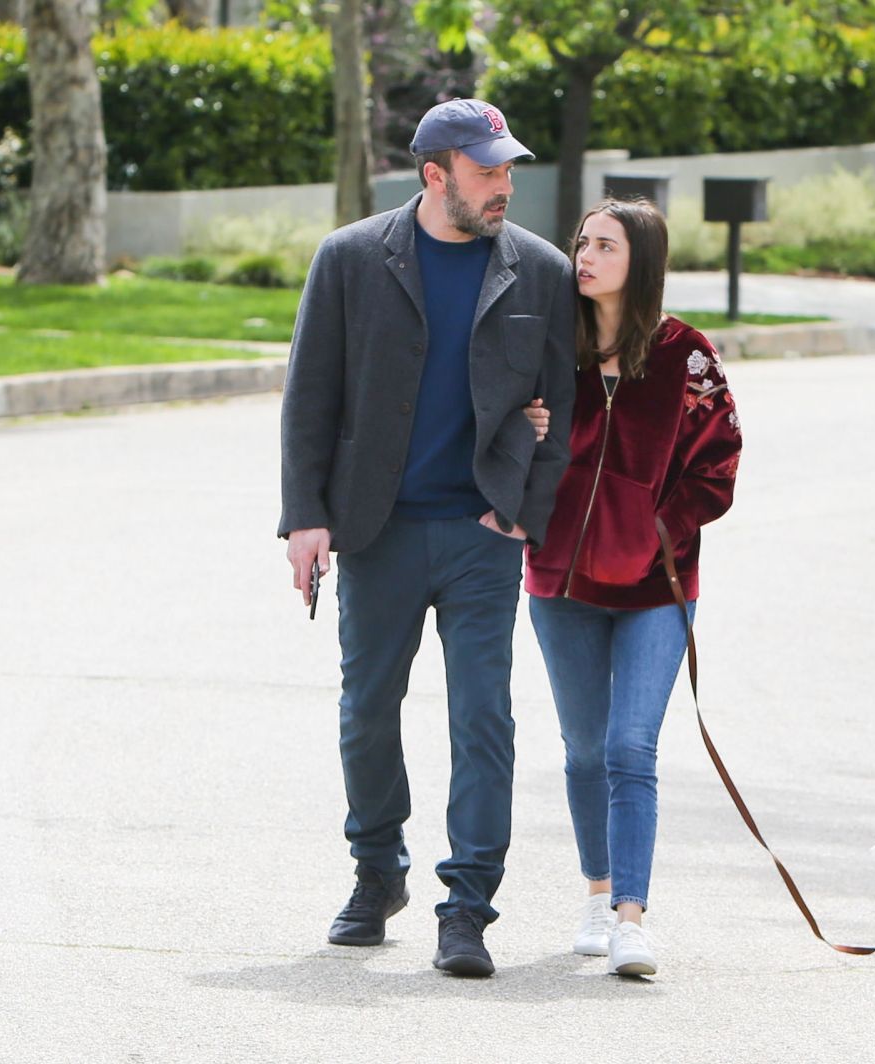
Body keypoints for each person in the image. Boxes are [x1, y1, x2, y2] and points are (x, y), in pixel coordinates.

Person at [278, 99, 576, 978]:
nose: (505, 187)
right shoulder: (349, 259)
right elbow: (309, 396)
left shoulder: (542, 271)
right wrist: (304, 516)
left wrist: (523, 510)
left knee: (483, 717)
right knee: (366, 710)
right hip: (377, 530)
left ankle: (468, 907)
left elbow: (564, 414)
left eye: (509, 170)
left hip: (483, 534)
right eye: (487, 172)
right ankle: (377, 874)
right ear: (434, 174)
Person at [524, 198, 742, 977]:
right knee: (584, 751)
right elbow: (509, 432)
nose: (583, 256)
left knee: (630, 747)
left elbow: (720, 465)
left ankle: (631, 920)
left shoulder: (686, 356)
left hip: (656, 585)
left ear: (639, 260)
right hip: (560, 579)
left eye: (604, 246)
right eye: (582, 242)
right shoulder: (556, 344)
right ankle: (595, 891)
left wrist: (659, 526)